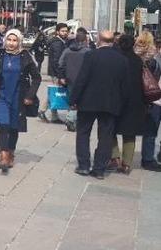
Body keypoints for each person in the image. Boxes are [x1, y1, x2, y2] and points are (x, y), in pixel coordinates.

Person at [69, 30, 128, 179]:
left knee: (83, 133)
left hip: (88, 101)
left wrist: (73, 99)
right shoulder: (122, 60)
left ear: (98, 40)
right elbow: (125, 85)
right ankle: (99, 169)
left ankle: (84, 166)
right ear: (113, 41)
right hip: (110, 103)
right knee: (106, 136)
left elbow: (82, 79)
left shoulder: (91, 55)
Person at [0, 29, 40, 174]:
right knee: (4, 124)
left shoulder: (25, 56)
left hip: (18, 97)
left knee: (14, 126)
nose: (11, 43)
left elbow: (36, 78)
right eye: (9, 39)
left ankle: (11, 152)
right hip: (1, 96)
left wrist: (30, 95)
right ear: (5, 40)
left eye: (14, 40)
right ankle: (4, 155)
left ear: (19, 42)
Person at [108, 35, 145, 174]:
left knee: (110, 129)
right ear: (133, 44)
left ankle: (114, 156)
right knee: (130, 133)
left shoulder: (115, 59)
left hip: (116, 99)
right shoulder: (138, 60)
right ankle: (127, 164)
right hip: (135, 101)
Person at [57, 32, 90, 132]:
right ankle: (71, 119)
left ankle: (71, 118)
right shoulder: (88, 52)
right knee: (81, 101)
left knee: (71, 99)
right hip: (83, 79)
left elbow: (60, 64)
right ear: (85, 41)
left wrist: (61, 77)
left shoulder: (67, 50)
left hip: (69, 78)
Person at [137, 32, 161, 171]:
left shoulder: (136, 57)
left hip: (148, 98)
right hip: (155, 99)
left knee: (150, 131)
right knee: (151, 131)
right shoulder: (154, 60)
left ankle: (147, 158)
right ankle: (147, 159)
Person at [40, 23, 69, 123]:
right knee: (55, 92)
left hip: (55, 72)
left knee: (55, 92)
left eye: (66, 31)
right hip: (57, 72)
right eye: (62, 31)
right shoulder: (57, 43)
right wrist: (60, 75)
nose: (65, 33)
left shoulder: (61, 42)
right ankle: (43, 111)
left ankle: (53, 115)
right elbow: (57, 61)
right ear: (57, 32)